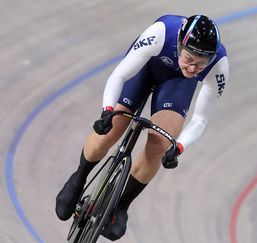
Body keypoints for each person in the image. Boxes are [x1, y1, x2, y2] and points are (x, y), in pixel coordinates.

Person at [55, 14, 229, 240]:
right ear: (179, 45)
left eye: (201, 63)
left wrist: (179, 147)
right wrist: (107, 110)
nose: (194, 67)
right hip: (145, 68)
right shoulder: (161, 33)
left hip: (177, 85)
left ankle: (121, 205)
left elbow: (201, 119)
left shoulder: (219, 66)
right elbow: (120, 74)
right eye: (189, 59)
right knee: (110, 131)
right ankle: (78, 178)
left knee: (159, 144)